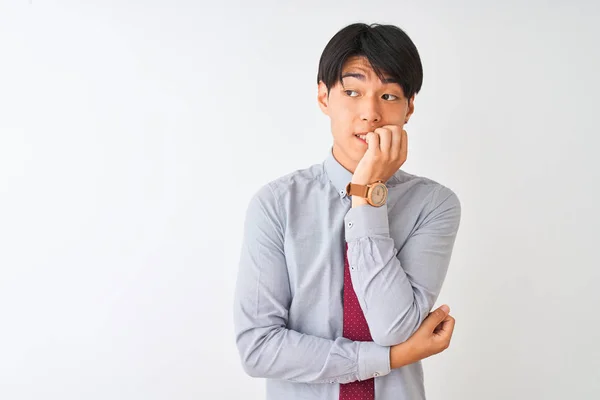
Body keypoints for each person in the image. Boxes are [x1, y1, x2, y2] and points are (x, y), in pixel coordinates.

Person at [233, 22, 462, 400]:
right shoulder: (275, 204)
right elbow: (258, 349)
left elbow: (393, 328)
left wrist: (367, 197)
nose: (370, 113)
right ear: (324, 97)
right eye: (352, 91)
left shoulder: (434, 205)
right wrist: (393, 358)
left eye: (388, 96)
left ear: (410, 107)